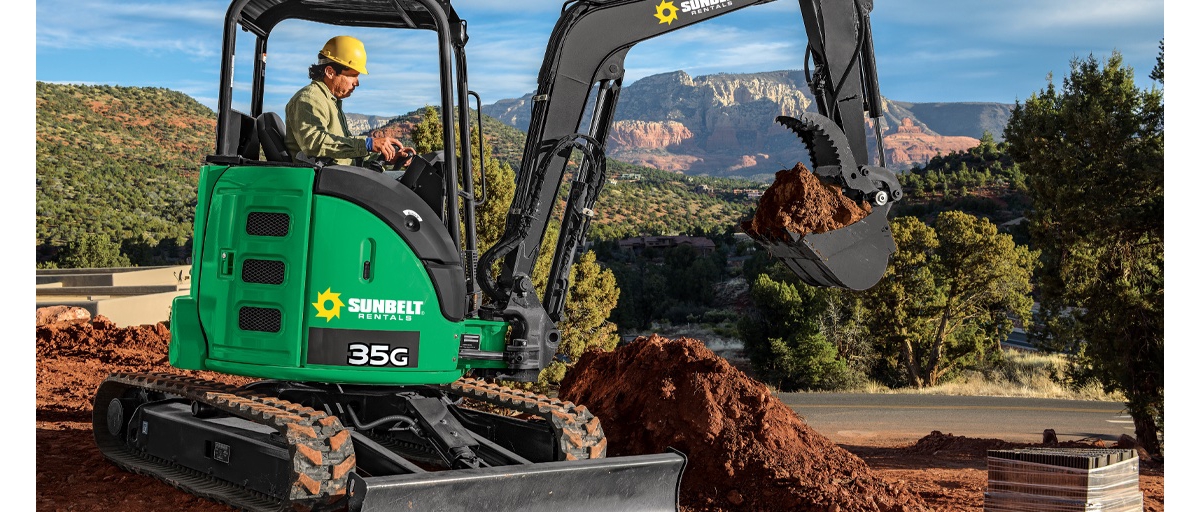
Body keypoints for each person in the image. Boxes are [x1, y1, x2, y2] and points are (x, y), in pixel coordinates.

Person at [284, 35, 415, 167]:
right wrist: (367, 144)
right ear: (330, 72)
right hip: (325, 181)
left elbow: (343, 148)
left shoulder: (331, 101)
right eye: (352, 76)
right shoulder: (309, 98)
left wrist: (388, 156)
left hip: (340, 176)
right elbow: (314, 143)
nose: (357, 83)